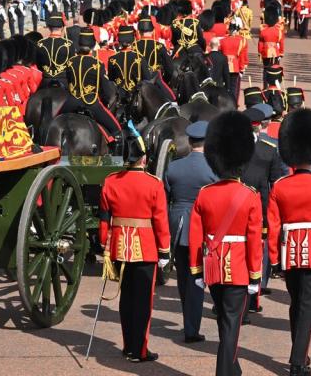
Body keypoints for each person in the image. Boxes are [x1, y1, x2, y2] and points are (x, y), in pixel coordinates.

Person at [188, 111, 260, 376]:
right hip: (239, 267)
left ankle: (233, 368)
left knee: (224, 320)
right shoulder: (249, 196)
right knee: (231, 323)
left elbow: (196, 235)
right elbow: (254, 240)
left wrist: (196, 270)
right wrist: (255, 276)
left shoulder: (205, 194)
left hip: (214, 266)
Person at [268, 109, 311, 376]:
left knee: (296, 305)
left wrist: (274, 259)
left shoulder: (281, 186)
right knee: (308, 308)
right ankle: (298, 361)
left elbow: (274, 226)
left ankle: (301, 354)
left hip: (289, 252)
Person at [98, 131, 170, 363]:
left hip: (119, 247)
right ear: (143, 158)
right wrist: (164, 250)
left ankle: (129, 345)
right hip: (146, 248)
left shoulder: (110, 181)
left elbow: (104, 219)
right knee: (142, 302)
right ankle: (139, 350)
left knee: (126, 299)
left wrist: (103, 243)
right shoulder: (154, 184)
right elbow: (160, 220)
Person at [163, 121, 217, 343]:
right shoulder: (214, 168)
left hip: (177, 224)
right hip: (202, 226)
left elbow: (165, 198)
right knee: (199, 279)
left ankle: (189, 321)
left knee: (184, 277)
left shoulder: (174, 166)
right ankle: (191, 329)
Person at [241, 103, 290, 314]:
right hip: (259, 207)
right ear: (260, 125)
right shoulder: (269, 148)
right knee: (256, 253)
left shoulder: (231, 146)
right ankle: (253, 298)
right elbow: (277, 182)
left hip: (233, 205)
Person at [61, 33, 121, 143]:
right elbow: (106, 91)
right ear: (93, 46)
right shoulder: (98, 64)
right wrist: (107, 101)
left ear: (79, 44)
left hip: (71, 102)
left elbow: (69, 83)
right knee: (117, 130)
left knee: (54, 121)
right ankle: (115, 160)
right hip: (91, 103)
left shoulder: (70, 62)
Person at [106, 27, 149, 101]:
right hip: (136, 96)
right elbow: (147, 79)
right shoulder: (140, 57)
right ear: (132, 40)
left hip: (119, 96)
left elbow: (111, 80)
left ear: (119, 41)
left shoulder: (112, 58)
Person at [35, 14, 72, 86]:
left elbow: (38, 65)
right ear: (62, 27)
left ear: (49, 28)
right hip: (63, 79)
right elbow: (71, 65)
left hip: (45, 79)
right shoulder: (69, 44)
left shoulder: (40, 43)